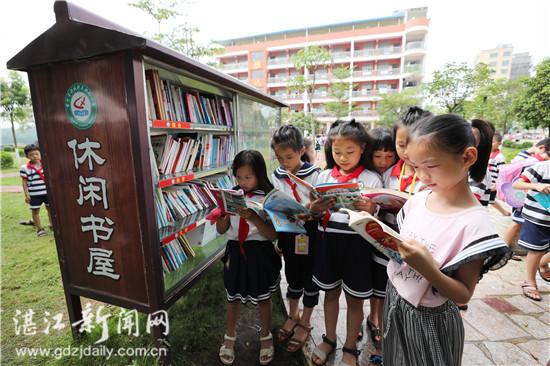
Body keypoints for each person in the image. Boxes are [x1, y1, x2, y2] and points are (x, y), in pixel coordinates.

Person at [383, 114, 511, 366]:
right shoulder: (419, 199)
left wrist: (428, 269)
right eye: (415, 167)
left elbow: (462, 294)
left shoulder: (474, 224)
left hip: (430, 319)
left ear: (467, 157)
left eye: (430, 166)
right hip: (394, 298)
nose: (422, 176)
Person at [309, 119, 382, 366]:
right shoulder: (324, 176)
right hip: (328, 243)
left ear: (362, 148)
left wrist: (372, 208)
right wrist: (315, 208)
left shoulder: (372, 179)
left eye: (349, 151)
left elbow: (376, 220)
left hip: (358, 247)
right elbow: (314, 213)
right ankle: (329, 339)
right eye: (337, 152)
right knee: (329, 295)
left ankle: (350, 347)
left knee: (355, 300)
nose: (343, 157)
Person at [216, 150, 281, 366]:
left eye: (248, 177)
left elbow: (272, 235)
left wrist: (253, 217)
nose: (242, 182)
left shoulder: (268, 199)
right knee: (232, 297)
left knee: (263, 298)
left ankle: (265, 337)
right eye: (239, 177)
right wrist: (224, 212)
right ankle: (230, 336)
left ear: (259, 175)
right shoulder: (232, 195)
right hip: (235, 251)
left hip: (260, 253)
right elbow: (221, 229)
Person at [270, 125, 320, 352]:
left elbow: (322, 207)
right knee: (291, 275)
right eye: (279, 158)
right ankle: (293, 314)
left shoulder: (315, 174)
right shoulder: (276, 175)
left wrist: (312, 209)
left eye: (289, 157)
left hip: (310, 233)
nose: (284, 162)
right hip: (288, 233)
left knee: (310, 277)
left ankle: (306, 321)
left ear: (301, 151)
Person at [512, 160, 550, 301]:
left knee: (540, 253)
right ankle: (530, 281)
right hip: (537, 218)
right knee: (536, 250)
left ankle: (542, 262)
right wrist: (536, 186)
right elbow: (517, 184)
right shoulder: (542, 167)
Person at [383, 106, 433, 194]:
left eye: (413, 145)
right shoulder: (388, 174)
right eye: (401, 145)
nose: (406, 152)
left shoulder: (435, 176)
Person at [20, 143, 51, 236]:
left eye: (37, 154)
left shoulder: (45, 164)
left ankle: (51, 224)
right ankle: (39, 229)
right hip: (34, 195)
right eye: (31, 155)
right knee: (35, 211)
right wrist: (27, 194)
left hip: (47, 193)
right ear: (27, 156)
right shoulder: (24, 168)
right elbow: (24, 182)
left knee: (50, 209)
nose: (35, 156)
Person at [488, 132, 511, 216]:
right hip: (485, 181)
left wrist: (497, 184)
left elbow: (502, 172)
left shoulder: (499, 157)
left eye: (493, 142)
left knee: (490, 199)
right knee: (490, 199)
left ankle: (504, 212)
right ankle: (504, 212)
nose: (490, 144)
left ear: (499, 143)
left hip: (493, 183)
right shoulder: (485, 153)